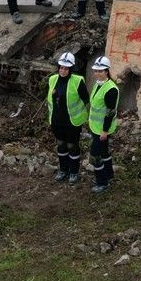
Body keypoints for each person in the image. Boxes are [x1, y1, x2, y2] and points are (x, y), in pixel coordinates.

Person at [47, 51, 90, 185]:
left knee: (72, 146)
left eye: (66, 68)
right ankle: (63, 170)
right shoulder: (52, 79)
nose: (63, 70)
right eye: (61, 67)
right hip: (56, 120)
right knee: (61, 145)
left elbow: (86, 99)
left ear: (71, 69)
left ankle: (74, 172)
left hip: (72, 121)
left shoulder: (77, 81)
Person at [88, 55, 120, 194]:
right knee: (104, 151)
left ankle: (102, 183)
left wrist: (105, 131)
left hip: (102, 129)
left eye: (100, 71)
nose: (97, 73)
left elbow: (110, 112)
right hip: (96, 126)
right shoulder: (99, 84)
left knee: (95, 155)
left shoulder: (111, 89)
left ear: (107, 71)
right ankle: (109, 174)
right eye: (95, 71)